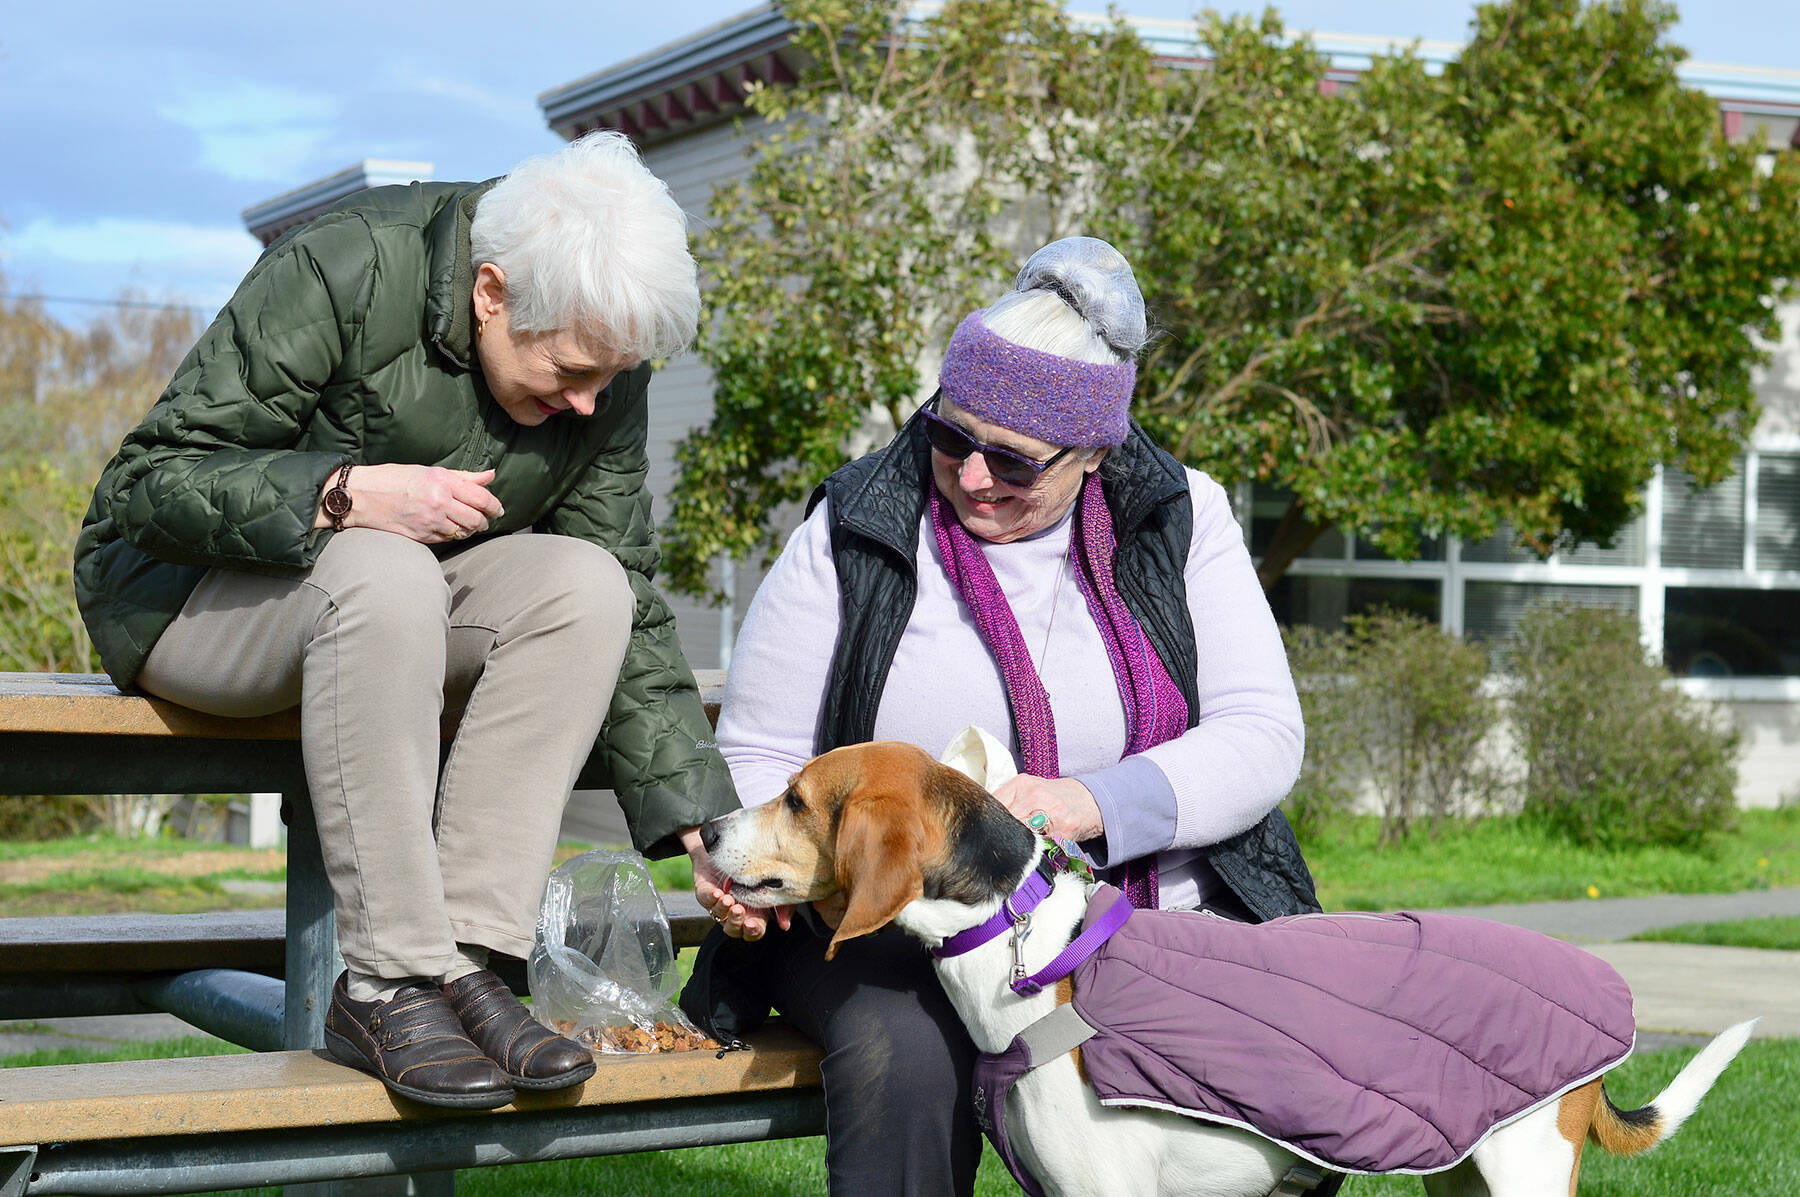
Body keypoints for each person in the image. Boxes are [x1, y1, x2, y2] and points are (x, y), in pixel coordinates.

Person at [74, 132, 740, 1110]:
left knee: (585, 585)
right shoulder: (342, 264)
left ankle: (463, 969)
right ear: (491, 294)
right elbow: (149, 486)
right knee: (385, 571)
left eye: (611, 376)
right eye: (569, 372)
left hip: (401, 610)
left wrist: (692, 813)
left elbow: (628, 585)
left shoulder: (599, 343)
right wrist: (345, 493)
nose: (590, 399)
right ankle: (385, 980)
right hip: (186, 600)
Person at [680, 236, 1322, 1194]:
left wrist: (1092, 802)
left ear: (1096, 454)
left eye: (1015, 464)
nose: (974, 477)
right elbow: (759, 749)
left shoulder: (1188, 518)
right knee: (909, 1047)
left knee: (1260, 1036)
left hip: (1147, 915)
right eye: (951, 437)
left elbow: (1263, 733)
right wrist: (734, 856)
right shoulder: (858, 525)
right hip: (892, 911)